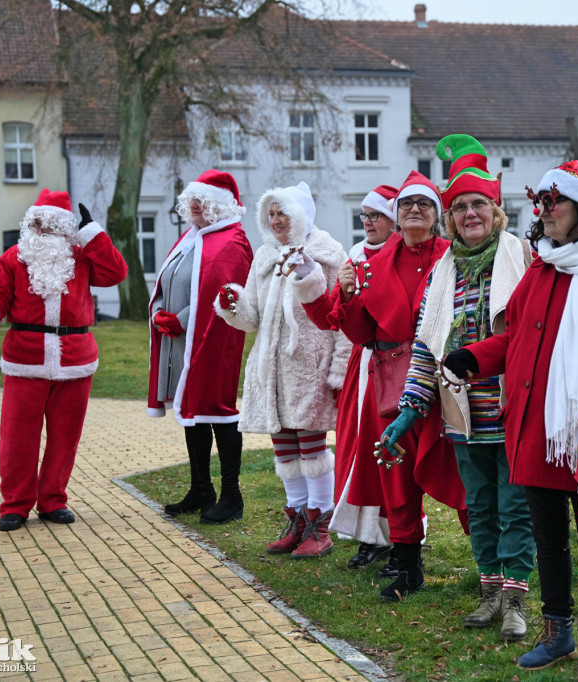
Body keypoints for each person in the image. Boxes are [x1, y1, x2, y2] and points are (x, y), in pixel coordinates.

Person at [443, 160, 578, 678]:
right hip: (537, 430)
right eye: (540, 203)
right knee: (548, 539)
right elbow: (516, 336)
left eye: (553, 201)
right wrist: (475, 358)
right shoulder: (542, 266)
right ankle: (558, 630)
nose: (543, 211)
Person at [381, 135, 534, 638]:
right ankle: (489, 592)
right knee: (481, 506)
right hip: (462, 414)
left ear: (496, 211)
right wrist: (408, 409)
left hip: (514, 409)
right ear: (450, 217)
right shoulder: (442, 274)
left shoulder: (523, 261)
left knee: (516, 508)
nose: (471, 214)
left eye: (480, 205)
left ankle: (516, 600)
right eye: (461, 207)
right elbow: (427, 347)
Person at [327, 170, 467, 602]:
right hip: (389, 380)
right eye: (406, 204)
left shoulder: (455, 257)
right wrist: (347, 298)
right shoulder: (370, 266)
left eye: (424, 204)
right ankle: (408, 566)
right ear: (397, 213)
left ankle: (497, 565)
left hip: (446, 380)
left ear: (437, 214)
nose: (414, 211)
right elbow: (362, 331)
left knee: (467, 471)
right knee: (396, 473)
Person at [0, 189, 128, 531]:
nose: (41, 231)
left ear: (65, 229)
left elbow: (115, 273)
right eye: (36, 223)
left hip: (75, 359)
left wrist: (94, 235)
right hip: (26, 358)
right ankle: (15, 504)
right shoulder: (13, 258)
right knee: (17, 438)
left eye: (49, 224)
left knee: (64, 437)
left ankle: (53, 499)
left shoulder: (83, 257)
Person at [214, 181, 351, 558]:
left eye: (282, 213)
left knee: (311, 446)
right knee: (284, 447)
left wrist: (339, 369)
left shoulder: (328, 253)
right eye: (270, 214)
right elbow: (252, 317)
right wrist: (232, 305)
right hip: (271, 367)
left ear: (301, 214)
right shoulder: (265, 256)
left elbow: (343, 316)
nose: (275, 220)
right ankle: (297, 520)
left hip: (311, 364)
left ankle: (320, 524)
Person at [295, 184, 400, 571]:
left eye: (376, 215)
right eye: (365, 216)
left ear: (395, 219)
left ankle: (400, 539)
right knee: (357, 452)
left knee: (388, 453)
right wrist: (311, 282)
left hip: (395, 361)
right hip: (363, 363)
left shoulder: (400, 256)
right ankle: (368, 536)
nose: (368, 222)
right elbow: (335, 316)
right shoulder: (356, 254)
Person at [147, 170, 253, 524]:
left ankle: (231, 495)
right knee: (191, 411)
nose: (193, 205)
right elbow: (170, 278)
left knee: (218, 410)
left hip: (214, 339)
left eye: (201, 200)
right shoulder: (192, 238)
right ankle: (201, 488)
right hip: (181, 339)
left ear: (219, 206)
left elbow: (223, 291)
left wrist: (182, 318)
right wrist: (162, 310)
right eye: (191, 199)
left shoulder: (231, 241)